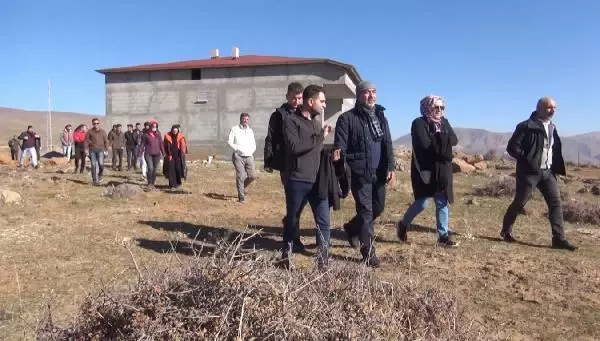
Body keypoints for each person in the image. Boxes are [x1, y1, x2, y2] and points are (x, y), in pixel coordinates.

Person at [501, 97, 577, 251]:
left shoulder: (552, 127)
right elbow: (512, 147)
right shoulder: (525, 126)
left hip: (547, 172)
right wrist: (528, 160)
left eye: (555, 107)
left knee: (555, 203)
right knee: (520, 202)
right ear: (540, 108)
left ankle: (559, 239)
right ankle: (506, 231)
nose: (553, 110)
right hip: (529, 173)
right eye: (550, 107)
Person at [334, 81, 395, 267]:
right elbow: (340, 147)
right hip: (360, 173)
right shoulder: (347, 119)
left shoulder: (380, 116)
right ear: (359, 95)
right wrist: (343, 170)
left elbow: (388, 144)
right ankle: (369, 253)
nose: (371, 96)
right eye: (367, 92)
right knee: (367, 213)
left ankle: (352, 227)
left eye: (374, 92)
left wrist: (391, 167)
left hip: (380, 171)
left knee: (378, 208)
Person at [396, 95, 459, 247]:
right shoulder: (419, 123)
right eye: (435, 107)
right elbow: (425, 144)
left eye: (441, 107)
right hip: (424, 169)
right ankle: (403, 224)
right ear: (427, 107)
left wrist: (439, 140)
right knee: (422, 203)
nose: (439, 110)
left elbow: (454, 139)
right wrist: (443, 143)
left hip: (442, 169)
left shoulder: (445, 122)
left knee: (442, 202)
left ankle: (443, 237)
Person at [281, 84, 332, 269]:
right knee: (292, 220)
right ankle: (285, 256)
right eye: (322, 101)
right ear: (311, 102)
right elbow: (296, 147)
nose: (324, 105)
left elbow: (314, 149)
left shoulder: (315, 123)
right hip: (297, 180)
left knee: (324, 222)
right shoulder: (290, 121)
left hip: (318, 180)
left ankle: (323, 262)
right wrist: (320, 137)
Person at [264, 82, 307, 252]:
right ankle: (293, 240)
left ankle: (289, 223)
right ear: (287, 97)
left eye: (299, 98)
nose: (297, 101)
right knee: (293, 201)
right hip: (286, 164)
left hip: (304, 163)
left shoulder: (305, 113)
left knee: (302, 199)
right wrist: (268, 161)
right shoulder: (279, 115)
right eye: (294, 98)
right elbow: (271, 138)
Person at [227, 112, 257, 202]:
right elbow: (229, 141)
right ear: (240, 119)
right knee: (241, 176)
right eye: (244, 119)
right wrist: (237, 149)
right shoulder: (234, 129)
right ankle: (241, 197)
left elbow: (253, 143)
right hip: (238, 156)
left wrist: (251, 151)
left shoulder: (250, 131)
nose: (245, 121)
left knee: (253, 176)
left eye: (247, 119)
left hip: (249, 156)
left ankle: (242, 187)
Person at [141, 121, 165, 189]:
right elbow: (142, 144)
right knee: (150, 168)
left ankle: (152, 184)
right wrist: (139, 153)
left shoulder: (158, 134)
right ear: (150, 127)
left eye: (155, 126)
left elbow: (161, 144)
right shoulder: (146, 134)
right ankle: (149, 183)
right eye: (153, 126)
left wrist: (164, 153)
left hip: (157, 154)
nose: (154, 128)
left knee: (154, 170)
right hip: (148, 154)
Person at [85, 118, 109, 186]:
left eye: (97, 123)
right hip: (92, 150)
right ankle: (94, 180)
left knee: (101, 164)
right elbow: (86, 141)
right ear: (92, 124)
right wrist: (86, 149)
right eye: (94, 123)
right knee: (93, 165)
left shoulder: (103, 131)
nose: (96, 124)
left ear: (99, 123)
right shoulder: (90, 131)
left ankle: (100, 175)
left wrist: (106, 150)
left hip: (101, 150)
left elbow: (106, 141)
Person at [163, 124, 188, 189]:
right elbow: (165, 146)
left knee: (178, 169)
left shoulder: (181, 136)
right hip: (170, 156)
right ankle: (172, 185)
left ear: (178, 131)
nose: (174, 132)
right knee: (171, 170)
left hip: (178, 156)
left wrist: (183, 152)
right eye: (173, 131)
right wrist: (166, 154)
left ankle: (178, 183)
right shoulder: (167, 136)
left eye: (176, 131)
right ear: (171, 130)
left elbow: (184, 145)